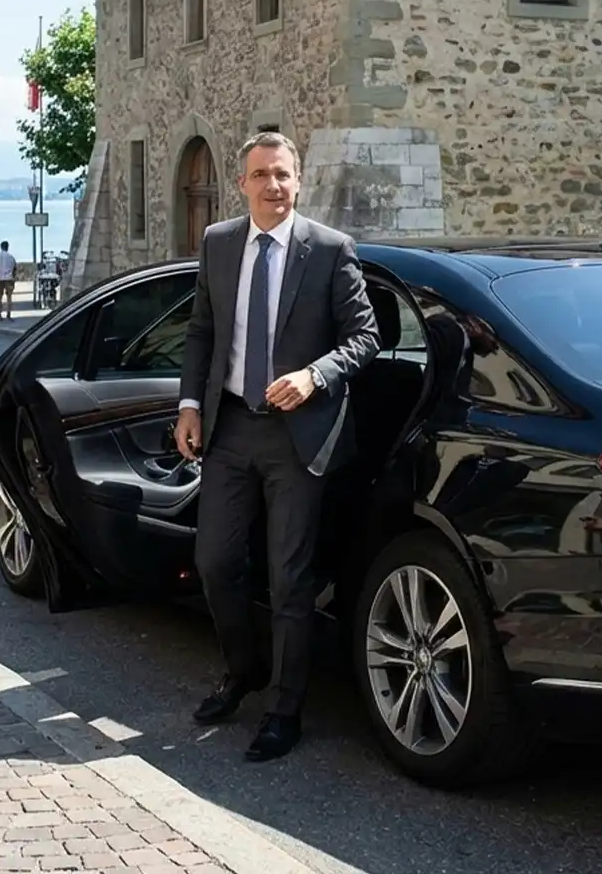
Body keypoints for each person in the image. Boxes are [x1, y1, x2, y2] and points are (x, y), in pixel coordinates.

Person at [175, 130, 379, 762]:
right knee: (214, 563)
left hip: (298, 435)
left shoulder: (329, 250)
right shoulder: (218, 243)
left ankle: (285, 708)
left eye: (283, 175)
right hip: (230, 426)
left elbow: (365, 336)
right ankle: (244, 670)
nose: (273, 186)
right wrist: (188, 405)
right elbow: (202, 331)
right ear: (243, 184)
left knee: (290, 579)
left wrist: (314, 375)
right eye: (261, 175)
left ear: (299, 180)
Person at [0, 240, 17, 320]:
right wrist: (13, 277)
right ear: (7, 247)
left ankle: (0, 313)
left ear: (1, 247)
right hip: (9, 278)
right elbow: (14, 268)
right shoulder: (11, 257)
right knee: (9, 297)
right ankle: (8, 314)